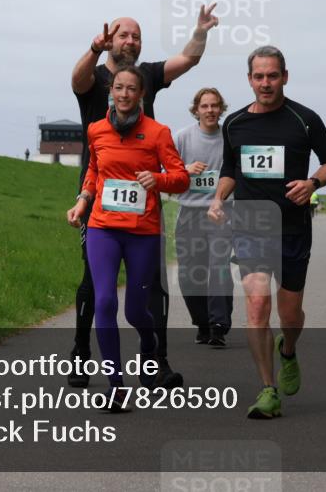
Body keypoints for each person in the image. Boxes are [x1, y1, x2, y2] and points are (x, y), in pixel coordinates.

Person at [68, 5, 219, 389]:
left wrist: (200, 31)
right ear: (111, 40)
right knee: (94, 284)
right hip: (99, 193)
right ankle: (82, 355)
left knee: (150, 285)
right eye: (123, 34)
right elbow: (77, 79)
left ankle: (155, 363)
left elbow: (188, 58)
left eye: (136, 36)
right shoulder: (97, 75)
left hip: (145, 200)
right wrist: (94, 49)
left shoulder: (149, 74)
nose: (130, 40)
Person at [207, 46, 326, 419]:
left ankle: (288, 350)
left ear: (285, 76)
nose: (265, 83)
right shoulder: (234, 124)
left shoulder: (304, 120)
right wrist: (219, 199)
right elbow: (230, 170)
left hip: (293, 229)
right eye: (258, 76)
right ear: (249, 79)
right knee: (255, 306)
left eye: (272, 76)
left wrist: (312, 182)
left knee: (291, 314)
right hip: (250, 227)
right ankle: (268, 390)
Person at [67, 66, 189, 409]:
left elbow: (180, 178)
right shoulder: (97, 130)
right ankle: (116, 385)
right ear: (111, 91)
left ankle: (148, 343)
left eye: (130, 89)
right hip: (103, 228)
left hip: (142, 233)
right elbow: (93, 171)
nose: (123, 94)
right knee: (104, 301)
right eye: (118, 88)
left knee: (137, 311)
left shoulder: (157, 132)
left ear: (141, 94)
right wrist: (82, 201)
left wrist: (158, 179)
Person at [174, 88, 233, 348]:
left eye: (215, 106)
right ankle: (202, 322)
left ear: (221, 109)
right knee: (190, 273)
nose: (210, 110)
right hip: (189, 212)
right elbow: (166, 170)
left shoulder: (229, 138)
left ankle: (219, 324)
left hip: (221, 212)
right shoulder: (183, 137)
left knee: (218, 268)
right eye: (205, 106)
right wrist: (184, 170)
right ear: (196, 109)